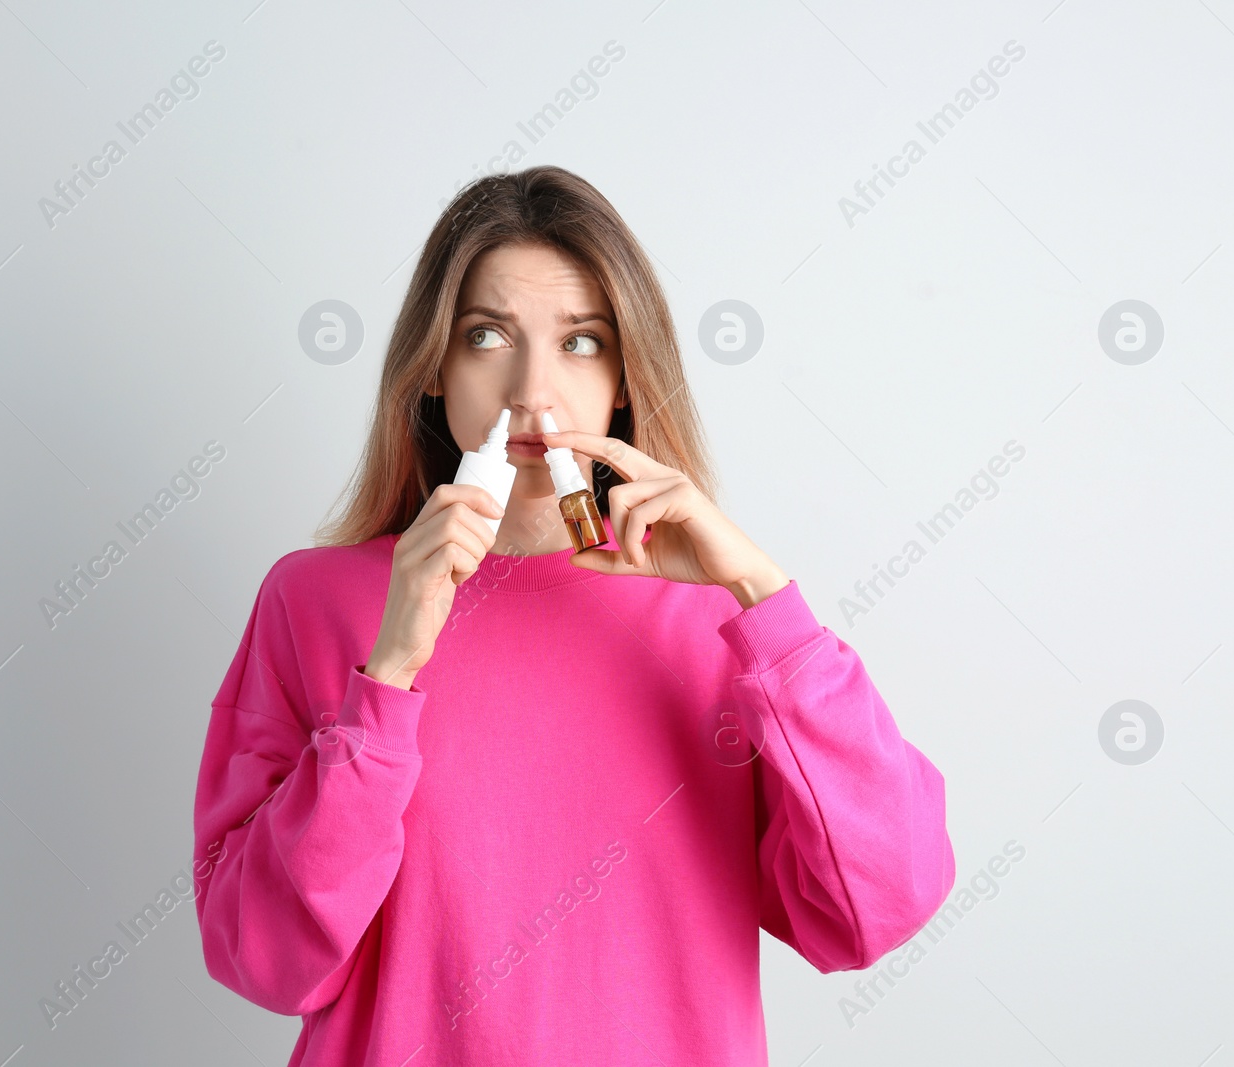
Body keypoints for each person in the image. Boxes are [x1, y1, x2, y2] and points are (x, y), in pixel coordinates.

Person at [191, 165, 954, 1065]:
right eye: (487, 336)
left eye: (581, 342)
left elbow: (880, 907)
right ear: (435, 366)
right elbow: (264, 958)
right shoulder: (316, 602)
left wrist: (764, 599)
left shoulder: (721, 627)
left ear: (628, 377)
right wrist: (387, 676)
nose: (531, 389)